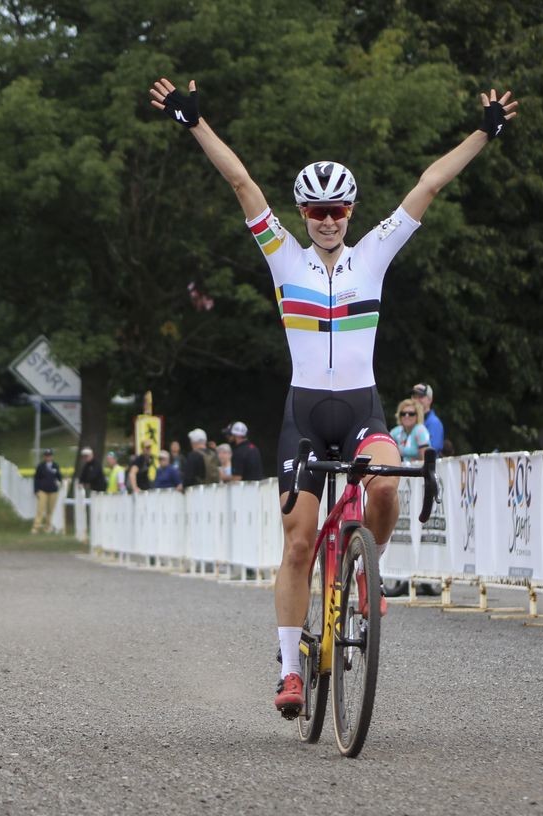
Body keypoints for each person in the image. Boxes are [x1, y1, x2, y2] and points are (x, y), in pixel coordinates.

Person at [150, 74, 518, 717]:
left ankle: (360, 566)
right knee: (297, 542)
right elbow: (242, 184)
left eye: (337, 211)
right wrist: (194, 124)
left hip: (359, 408)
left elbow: (429, 184)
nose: (326, 221)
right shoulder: (282, 257)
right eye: (316, 212)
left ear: (350, 212)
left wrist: (484, 132)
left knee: (384, 486)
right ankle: (289, 670)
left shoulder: (373, 254)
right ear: (303, 216)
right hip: (303, 415)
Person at [31, 448, 62, 534]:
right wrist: (36, 490)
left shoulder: (55, 466)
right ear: (44, 457)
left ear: (52, 457)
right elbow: (36, 479)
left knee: (50, 510)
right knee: (40, 509)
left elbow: (59, 477)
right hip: (42, 490)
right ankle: (36, 527)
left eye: (50, 456)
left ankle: (48, 526)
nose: (48, 457)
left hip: (53, 490)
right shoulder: (40, 466)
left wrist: (60, 478)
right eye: (46, 456)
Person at [411, 384, 446, 456]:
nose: (416, 400)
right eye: (414, 396)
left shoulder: (434, 423)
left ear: (430, 400)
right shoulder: (408, 420)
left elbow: (431, 450)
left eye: (421, 397)